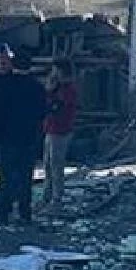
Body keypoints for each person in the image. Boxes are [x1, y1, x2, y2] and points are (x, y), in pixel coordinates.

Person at [0, 45, 47, 225]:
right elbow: (42, 112)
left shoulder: (4, 85)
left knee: (5, 177)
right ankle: (24, 213)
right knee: (25, 177)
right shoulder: (37, 87)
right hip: (28, 138)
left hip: (5, 138)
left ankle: (3, 213)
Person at [41, 60, 78, 211]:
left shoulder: (67, 89)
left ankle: (56, 198)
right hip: (50, 128)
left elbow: (59, 106)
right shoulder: (56, 87)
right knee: (48, 164)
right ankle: (47, 195)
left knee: (56, 165)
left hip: (61, 130)